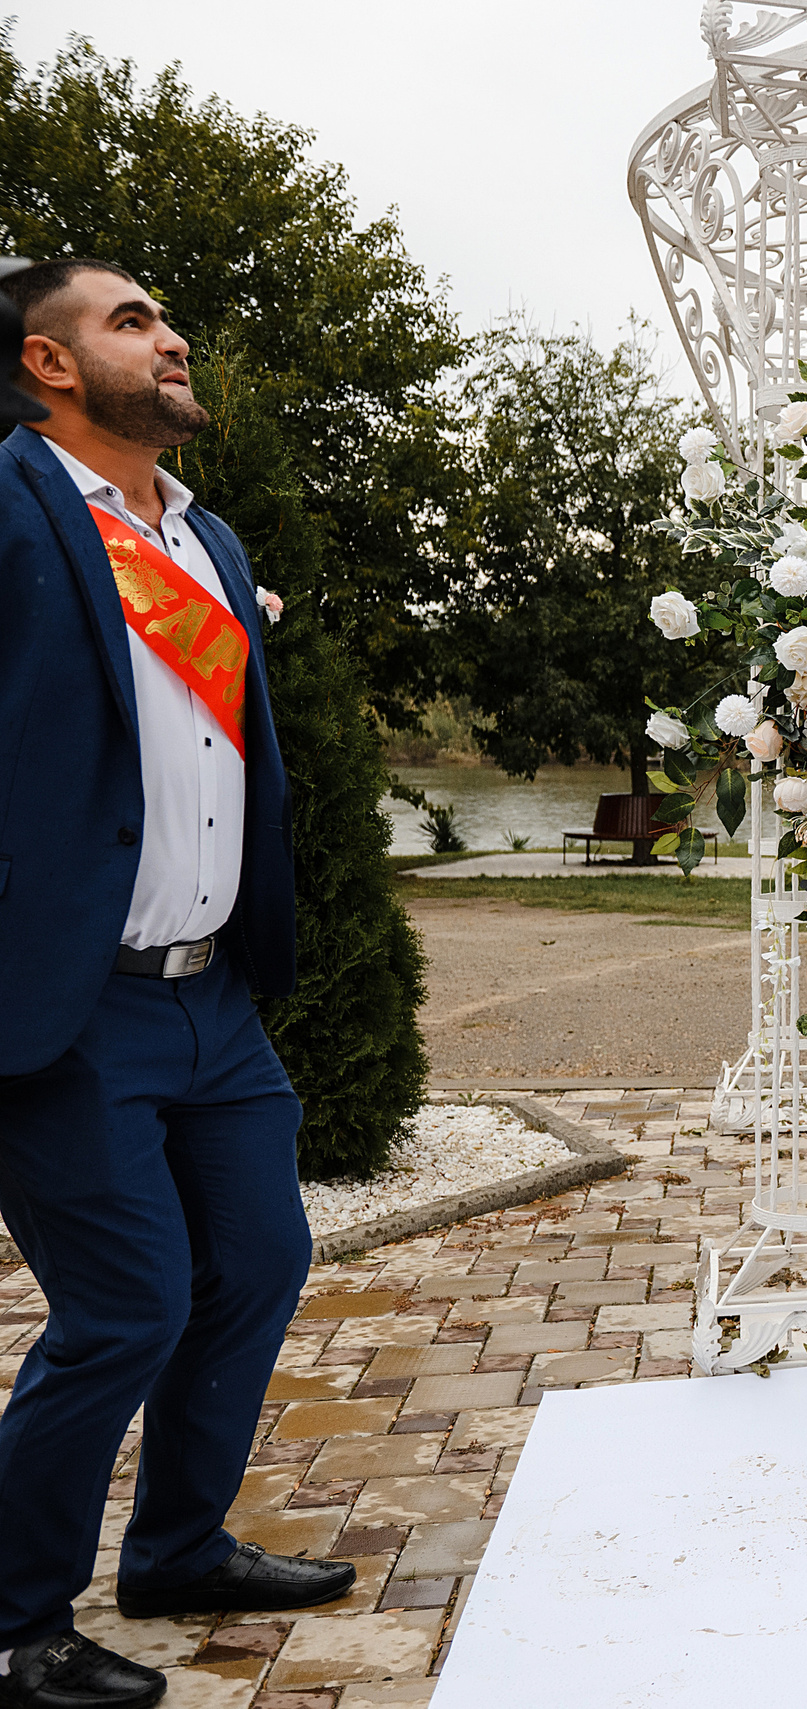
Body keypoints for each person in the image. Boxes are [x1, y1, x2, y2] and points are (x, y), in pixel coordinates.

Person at [0, 259, 353, 1709]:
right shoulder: (13, 506)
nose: (172, 334)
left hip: (214, 996)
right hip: (72, 1001)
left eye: (166, 315)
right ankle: (17, 1621)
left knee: (262, 1262)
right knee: (126, 1309)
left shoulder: (202, 538)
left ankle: (178, 1547)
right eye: (131, 320)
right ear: (51, 364)